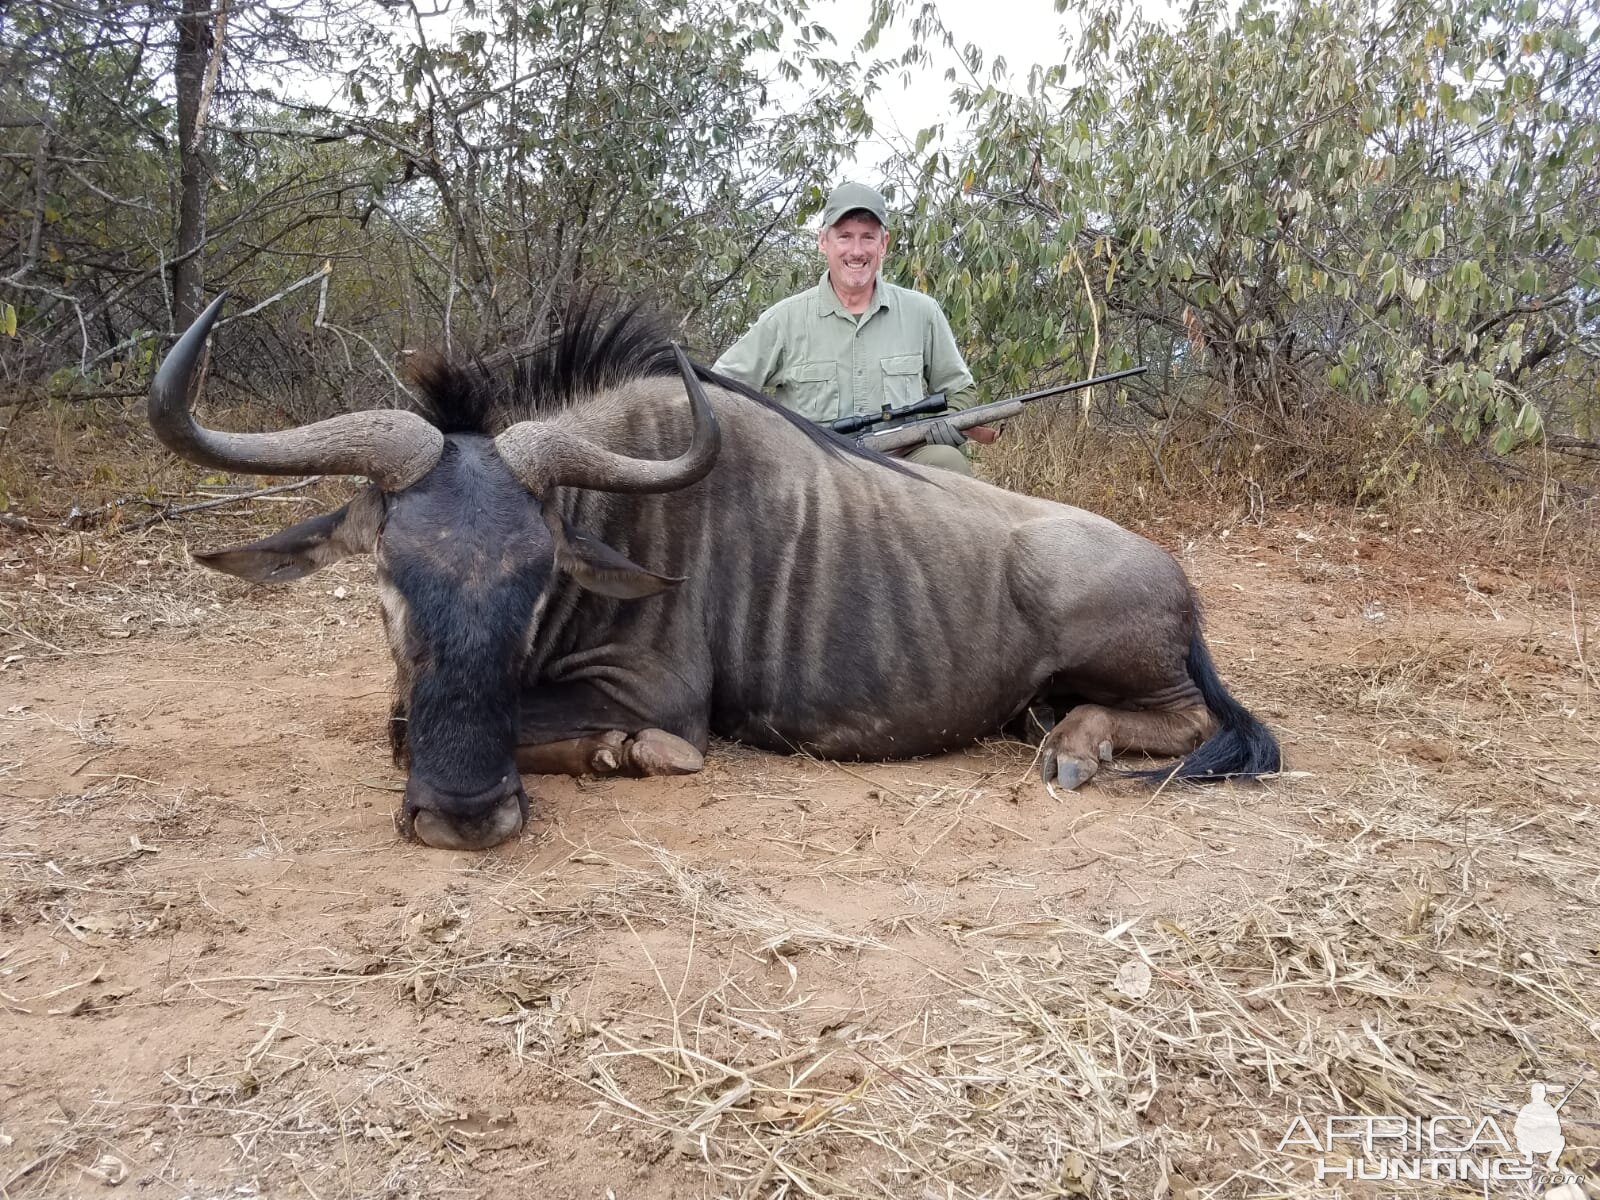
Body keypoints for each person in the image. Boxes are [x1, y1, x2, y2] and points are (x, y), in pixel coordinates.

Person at [714, 181, 990, 475]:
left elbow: (959, 390)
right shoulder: (783, 320)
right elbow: (717, 391)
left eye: (867, 237)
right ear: (823, 242)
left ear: (884, 243)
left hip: (900, 464)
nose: (856, 251)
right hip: (813, 471)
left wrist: (950, 420)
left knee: (947, 462)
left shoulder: (922, 312)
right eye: (844, 237)